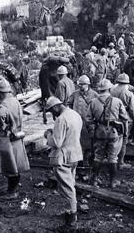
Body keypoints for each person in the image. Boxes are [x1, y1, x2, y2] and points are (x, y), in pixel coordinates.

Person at [44, 96, 83, 229]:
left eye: (51, 111)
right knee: (70, 184)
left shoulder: (61, 119)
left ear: (56, 107)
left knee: (67, 189)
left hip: (63, 157)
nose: (52, 114)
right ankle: (71, 212)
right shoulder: (75, 114)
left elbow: (56, 142)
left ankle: (72, 220)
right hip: (75, 155)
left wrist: (48, 134)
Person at [86, 79, 128, 188]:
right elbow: (124, 118)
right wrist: (125, 132)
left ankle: (95, 180)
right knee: (113, 157)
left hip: (99, 132)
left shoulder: (93, 102)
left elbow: (88, 119)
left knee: (98, 157)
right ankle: (112, 181)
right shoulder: (117, 101)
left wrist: (92, 131)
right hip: (113, 133)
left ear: (99, 90)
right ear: (109, 89)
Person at [0, 80, 30, 200]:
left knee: (9, 165)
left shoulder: (3, 105)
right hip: (18, 136)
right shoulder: (15, 101)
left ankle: (11, 192)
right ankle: (12, 189)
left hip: (7, 137)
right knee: (16, 164)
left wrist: (3, 127)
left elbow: (0, 115)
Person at [67, 75, 98, 165]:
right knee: (77, 141)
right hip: (77, 122)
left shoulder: (94, 95)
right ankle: (79, 160)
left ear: (87, 84)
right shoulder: (75, 94)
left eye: (82, 85)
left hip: (89, 123)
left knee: (90, 142)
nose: (80, 86)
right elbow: (68, 103)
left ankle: (88, 160)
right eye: (79, 85)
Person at [110, 73, 134, 169]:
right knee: (123, 140)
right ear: (127, 83)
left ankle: (111, 159)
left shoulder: (111, 90)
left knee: (113, 139)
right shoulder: (128, 94)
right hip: (124, 118)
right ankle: (120, 162)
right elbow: (133, 109)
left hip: (112, 116)